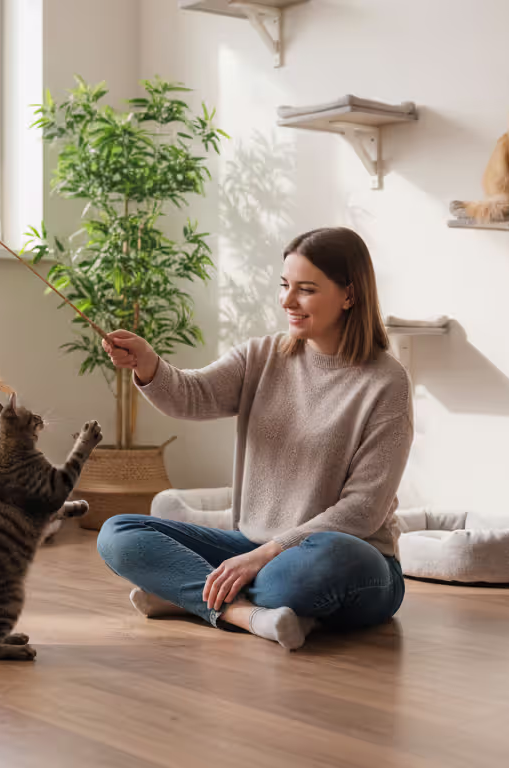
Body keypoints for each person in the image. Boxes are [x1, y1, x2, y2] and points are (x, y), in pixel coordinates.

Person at [96, 226, 412, 650]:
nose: (287, 301)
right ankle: (243, 614)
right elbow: (193, 396)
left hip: (350, 561)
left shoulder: (386, 382)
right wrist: (150, 364)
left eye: (306, 289)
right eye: (285, 286)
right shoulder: (261, 356)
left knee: (318, 565)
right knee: (118, 533)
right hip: (251, 543)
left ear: (349, 295)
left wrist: (261, 557)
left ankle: (186, 595)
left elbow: (361, 511)